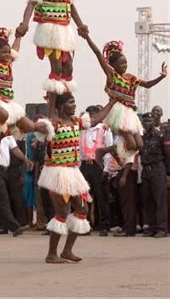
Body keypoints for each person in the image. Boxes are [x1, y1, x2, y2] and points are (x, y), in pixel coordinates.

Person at [16, 0, 88, 97]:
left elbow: (70, 5)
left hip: (65, 29)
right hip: (50, 29)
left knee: (68, 68)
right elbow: (32, 3)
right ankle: (52, 108)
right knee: (57, 69)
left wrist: (81, 25)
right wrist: (25, 23)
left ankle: (66, 103)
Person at [80, 34, 167, 162]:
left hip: (130, 113)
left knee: (139, 145)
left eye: (125, 63)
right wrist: (87, 37)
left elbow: (147, 85)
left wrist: (162, 76)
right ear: (112, 65)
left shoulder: (131, 78)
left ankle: (107, 152)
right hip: (118, 112)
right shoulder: (112, 76)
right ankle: (103, 152)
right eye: (121, 63)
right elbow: (98, 53)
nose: (125, 65)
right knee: (131, 144)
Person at [38, 93, 93, 263]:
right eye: (70, 102)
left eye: (74, 102)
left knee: (82, 210)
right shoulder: (53, 124)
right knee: (61, 211)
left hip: (73, 172)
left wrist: (113, 102)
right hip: (56, 172)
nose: (74, 105)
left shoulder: (77, 122)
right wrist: (55, 86)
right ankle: (51, 254)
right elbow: (51, 109)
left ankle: (67, 251)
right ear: (61, 106)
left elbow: (97, 119)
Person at [79, 105, 113, 235]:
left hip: (98, 166)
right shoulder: (82, 130)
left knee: (101, 197)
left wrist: (106, 169)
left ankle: (104, 226)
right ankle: (85, 225)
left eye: (93, 114)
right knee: (84, 197)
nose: (91, 117)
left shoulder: (104, 129)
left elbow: (110, 150)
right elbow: (79, 150)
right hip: (84, 165)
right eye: (89, 114)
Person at [140, 113, 168, 238]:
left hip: (157, 169)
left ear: (154, 121)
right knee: (148, 200)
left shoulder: (160, 136)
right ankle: (152, 227)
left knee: (160, 200)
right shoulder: (142, 137)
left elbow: (167, 155)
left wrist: (167, 173)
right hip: (145, 171)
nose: (147, 123)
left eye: (150, 121)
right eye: (145, 121)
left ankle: (162, 228)